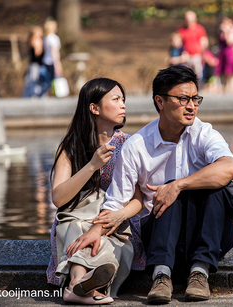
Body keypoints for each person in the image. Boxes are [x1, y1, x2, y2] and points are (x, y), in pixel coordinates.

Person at [69, 65, 233, 304]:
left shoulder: (204, 134)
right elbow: (116, 200)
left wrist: (178, 185)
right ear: (160, 101)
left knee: (212, 185)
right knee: (169, 193)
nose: (191, 106)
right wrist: (96, 230)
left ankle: (200, 274)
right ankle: (161, 277)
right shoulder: (137, 146)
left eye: (195, 98)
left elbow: (230, 167)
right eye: (182, 99)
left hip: (208, 239)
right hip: (161, 240)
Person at [46, 78, 145, 304]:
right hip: (76, 219)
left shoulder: (129, 144)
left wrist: (118, 215)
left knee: (108, 239)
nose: (123, 105)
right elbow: (59, 198)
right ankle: (85, 285)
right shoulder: (71, 146)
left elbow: (138, 201)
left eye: (123, 100)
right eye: (116, 99)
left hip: (116, 221)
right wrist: (92, 165)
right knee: (75, 223)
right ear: (94, 108)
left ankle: (78, 285)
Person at [177, 11, 208, 82]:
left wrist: (202, 52)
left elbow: (204, 42)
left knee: (198, 76)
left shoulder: (199, 29)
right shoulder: (181, 30)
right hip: (186, 57)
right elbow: (178, 43)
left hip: (197, 56)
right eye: (187, 20)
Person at [213, 17, 233, 94]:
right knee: (223, 75)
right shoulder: (221, 32)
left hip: (231, 53)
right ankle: (224, 92)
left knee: (231, 74)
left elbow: (229, 42)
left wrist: (226, 32)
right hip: (222, 53)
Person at [40, 19, 63, 96]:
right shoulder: (54, 38)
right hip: (52, 61)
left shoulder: (45, 38)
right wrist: (57, 64)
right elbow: (54, 52)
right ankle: (58, 94)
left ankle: (43, 93)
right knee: (55, 79)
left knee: (47, 80)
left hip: (45, 61)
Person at [22, 26, 44, 97]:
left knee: (30, 80)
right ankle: (33, 95)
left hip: (32, 64)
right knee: (34, 80)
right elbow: (37, 53)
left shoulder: (31, 40)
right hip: (36, 64)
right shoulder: (36, 40)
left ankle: (30, 95)